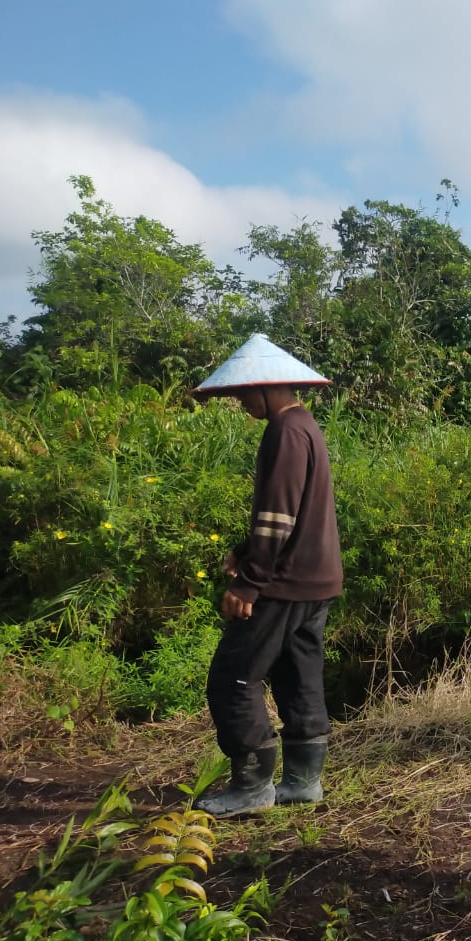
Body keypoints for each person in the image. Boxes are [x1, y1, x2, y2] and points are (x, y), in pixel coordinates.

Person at [190, 334, 344, 817]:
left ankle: (253, 786)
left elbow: (277, 516)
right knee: (299, 674)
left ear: (267, 388)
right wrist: (245, 549)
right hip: (314, 579)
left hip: (282, 580)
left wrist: (249, 581)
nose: (238, 402)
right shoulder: (305, 425)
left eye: (241, 393)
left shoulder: (284, 430)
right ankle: (302, 782)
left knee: (234, 675)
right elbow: (292, 512)